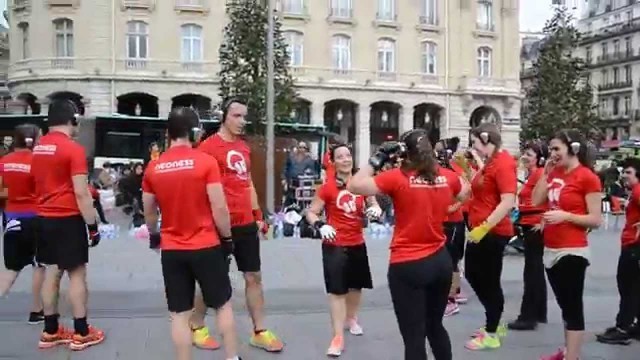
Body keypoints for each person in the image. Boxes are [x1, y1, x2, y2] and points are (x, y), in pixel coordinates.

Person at [347, 129, 469, 360]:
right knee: (435, 326)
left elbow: (355, 185)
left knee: (414, 336)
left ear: (404, 152)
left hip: (409, 264)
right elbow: (464, 193)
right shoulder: (446, 176)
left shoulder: (397, 177)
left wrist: (379, 157)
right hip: (440, 261)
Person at [142, 107, 240, 360]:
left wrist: (154, 236)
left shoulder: (154, 168)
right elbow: (219, 206)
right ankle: (232, 357)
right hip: (206, 245)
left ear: (168, 133)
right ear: (195, 133)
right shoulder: (206, 162)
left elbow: (149, 212)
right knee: (222, 305)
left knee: (179, 313)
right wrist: (227, 238)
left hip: (173, 249)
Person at [194, 97, 283, 352]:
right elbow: (199, 187)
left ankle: (260, 331)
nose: (242, 121)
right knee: (214, 279)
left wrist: (258, 215)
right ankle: (196, 326)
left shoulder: (244, 148)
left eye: (245, 117)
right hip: (219, 224)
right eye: (237, 116)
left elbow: (247, 183)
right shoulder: (207, 148)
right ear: (224, 116)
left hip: (245, 223)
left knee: (254, 276)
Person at [31, 99, 104, 350]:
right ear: (72, 120)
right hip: (67, 219)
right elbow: (82, 193)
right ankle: (82, 331)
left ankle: (50, 330)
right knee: (76, 274)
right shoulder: (73, 150)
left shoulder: (38, 148)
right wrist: (92, 226)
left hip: (43, 218)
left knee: (51, 271)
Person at [531, 130, 602, 360]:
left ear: (573, 149)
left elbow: (596, 220)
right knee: (564, 305)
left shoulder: (587, 177)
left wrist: (566, 216)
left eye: (556, 149)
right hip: (551, 247)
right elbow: (535, 200)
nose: (551, 154)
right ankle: (568, 351)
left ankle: (572, 356)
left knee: (572, 308)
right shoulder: (555, 172)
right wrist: (546, 173)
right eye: (550, 149)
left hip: (572, 249)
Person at [305, 143, 381, 357]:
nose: (346, 159)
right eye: (341, 156)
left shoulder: (361, 183)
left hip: (357, 242)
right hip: (334, 245)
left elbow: (373, 202)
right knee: (337, 291)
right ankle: (337, 336)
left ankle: (352, 317)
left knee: (356, 287)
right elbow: (311, 212)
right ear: (334, 161)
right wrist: (320, 225)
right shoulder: (327, 186)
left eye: (348, 155)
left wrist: (375, 208)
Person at [464, 123, 517, 351]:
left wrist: (485, 227)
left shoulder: (503, 163)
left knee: (488, 280)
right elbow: (482, 188)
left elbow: (507, 201)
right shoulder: (491, 162)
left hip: (493, 231)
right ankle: (493, 322)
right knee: (475, 275)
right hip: (481, 229)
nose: (473, 146)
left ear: (486, 140)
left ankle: (493, 330)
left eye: (475, 142)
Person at [0, 124, 45, 324]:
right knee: (39, 265)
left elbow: (1, 192)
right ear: (33, 140)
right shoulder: (38, 162)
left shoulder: (3, 162)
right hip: (36, 218)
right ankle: (36, 310)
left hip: (12, 219)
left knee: (11, 269)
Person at [596, 157, 640, 345]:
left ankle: (623, 327)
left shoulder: (638, 191)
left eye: (629, 173)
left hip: (634, 245)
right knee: (634, 287)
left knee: (628, 287)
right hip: (631, 243)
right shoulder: (635, 192)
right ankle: (634, 325)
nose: (624, 176)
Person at [508, 141, 549, 331]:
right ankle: (538, 311)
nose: (525, 156)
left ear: (539, 158)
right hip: (529, 223)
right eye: (525, 152)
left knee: (532, 271)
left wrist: (542, 221)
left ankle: (529, 315)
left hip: (534, 224)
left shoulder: (540, 174)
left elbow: (544, 199)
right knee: (535, 269)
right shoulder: (534, 174)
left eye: (530, 154)